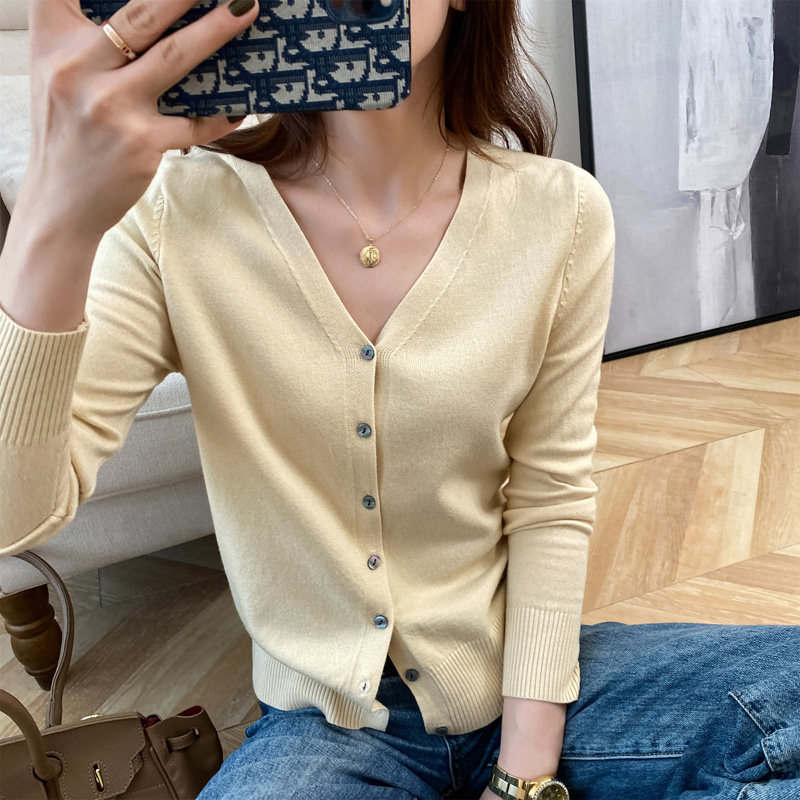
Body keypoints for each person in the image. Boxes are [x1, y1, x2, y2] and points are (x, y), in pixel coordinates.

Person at [0, 0, 797, 798]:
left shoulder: (560, 211)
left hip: (529, 684)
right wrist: (52, 218)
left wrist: (522, 779)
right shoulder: (175, 213)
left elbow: (550, 498)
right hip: (325, 730)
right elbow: (13, 517)